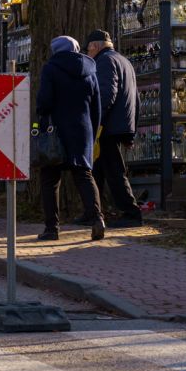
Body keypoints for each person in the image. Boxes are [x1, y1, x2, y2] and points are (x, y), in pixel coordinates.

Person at [37, 36, 104, 241]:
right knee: (84, 175)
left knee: (50, 180)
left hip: (55, 131)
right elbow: (96, 107)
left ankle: (51, 228)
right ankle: (97, 219)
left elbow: (44, 102)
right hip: (82, 130)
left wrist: (41, 115)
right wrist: (91, 131)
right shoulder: (90, 70)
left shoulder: (50, 69)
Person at [86, 29, 141, 227]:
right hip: (122, 123)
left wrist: (96, 121)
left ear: (95, 46)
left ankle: (131, 212)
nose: (87, 54)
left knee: (113, 171)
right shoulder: (123, 61)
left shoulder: (104, 61)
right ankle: (93, 211)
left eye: (88, 49)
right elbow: (136, 97)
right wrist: (132, 129)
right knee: (98, 170)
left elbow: (106, 94)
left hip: (109, 126)